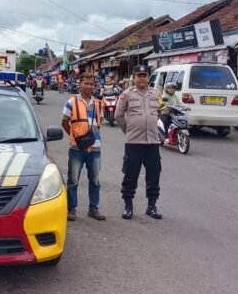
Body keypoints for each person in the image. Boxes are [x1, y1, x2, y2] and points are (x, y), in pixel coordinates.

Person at [114, 65, 162, 220]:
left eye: (144, 75)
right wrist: (129, 131)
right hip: (134, 143)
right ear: (133, 78)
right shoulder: (126, 94)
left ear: (148, 78)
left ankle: (151, 206)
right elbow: (118, 116)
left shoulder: (155, 93)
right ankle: (128, 205)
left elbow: (159, 112)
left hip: (152, 142)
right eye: (139, 75)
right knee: (130, 175)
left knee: (154, 175)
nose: (142, 78)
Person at [61, 72, 106, 222]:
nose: (89, 86)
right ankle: (71, 209)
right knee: (73, 180)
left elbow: (99, 123)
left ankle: (93, 209)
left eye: (91, 84)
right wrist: (74, 137)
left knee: (95, 180)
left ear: (94, 86)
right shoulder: (71, 102)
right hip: (76, 148)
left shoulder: (98, 103)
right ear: (80, 84)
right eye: (86, 83)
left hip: (95, 147)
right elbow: (64, 121)